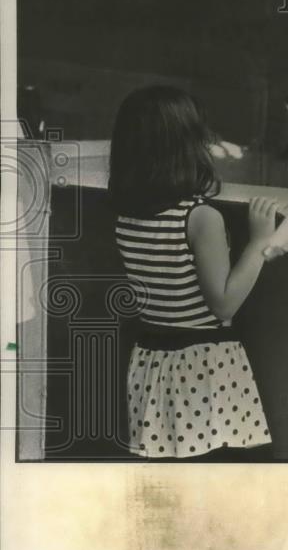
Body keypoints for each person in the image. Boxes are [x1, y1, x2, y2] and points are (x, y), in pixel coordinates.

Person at [109, 86, 278, 459]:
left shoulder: (128, 215)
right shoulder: (200, 218)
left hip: (152, 361)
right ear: (187, 146)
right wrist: (260, 241)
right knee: (215, 473)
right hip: (203, 366)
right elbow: (224, 306)